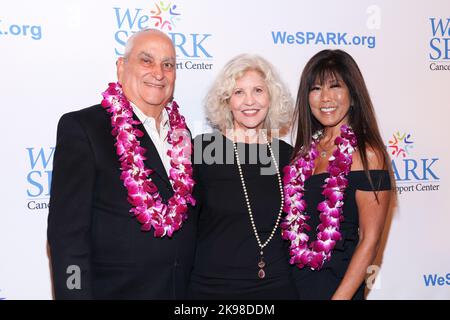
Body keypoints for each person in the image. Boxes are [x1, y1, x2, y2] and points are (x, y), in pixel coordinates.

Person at [47, 29, 197, 299]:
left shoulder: (184, 137)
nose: (159, 73)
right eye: (146, 60)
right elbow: (67, 237)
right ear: (121, 67)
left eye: (168, 65)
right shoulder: (84, 128)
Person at [282, 49, 394, 300]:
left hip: (339, 289)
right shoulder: (302, 155)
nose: (325, 98)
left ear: (353, 95)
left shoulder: (367, 154)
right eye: (316, 88)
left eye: (335, 86)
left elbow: (370, 239)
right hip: (294, 286)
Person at [188, 54, 298, 299]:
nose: (250, 101)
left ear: (271, 97)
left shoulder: (286, 154)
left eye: (258, 90)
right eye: (238, 92)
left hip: (276, 287)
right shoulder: (203, 150)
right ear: (227, 101)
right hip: (213, 288)